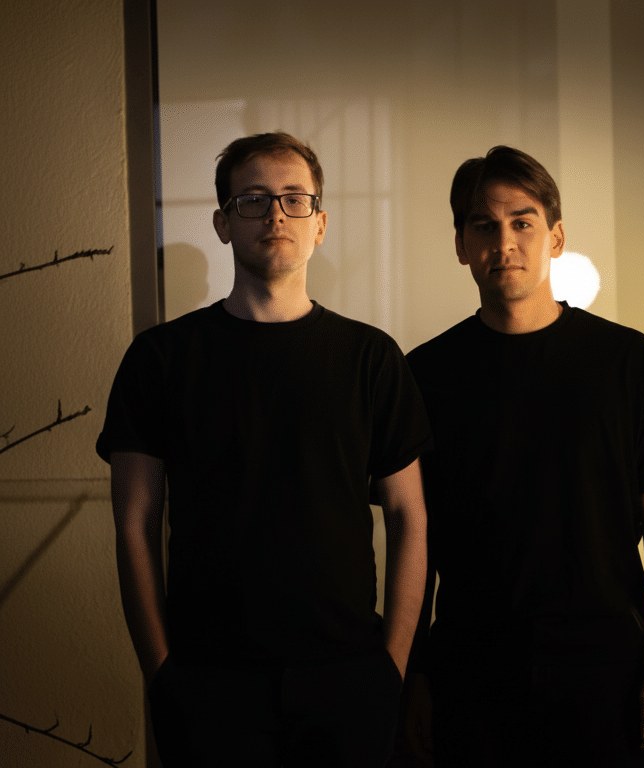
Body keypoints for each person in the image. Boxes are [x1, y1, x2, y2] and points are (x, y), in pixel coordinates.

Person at [97, 132, 432, 768]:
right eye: (253, 200)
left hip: (349, 675)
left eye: (293, 199)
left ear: (320, 223)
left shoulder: (370, 358)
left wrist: (391, 666)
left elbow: (409, 518)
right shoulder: (161, 359)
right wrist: (162, 671)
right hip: (208, 679)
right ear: (223, 224)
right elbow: (132, 526)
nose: (275, 215)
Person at [402, 146, 644, 766]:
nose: (504, 241)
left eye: (522, 221)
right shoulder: (425, 374)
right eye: (484, 224)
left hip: (607, 666)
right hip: (473, 668)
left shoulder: (626, 360)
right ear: (461, 243)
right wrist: (416, 673)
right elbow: (415, 534)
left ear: (555, 237)